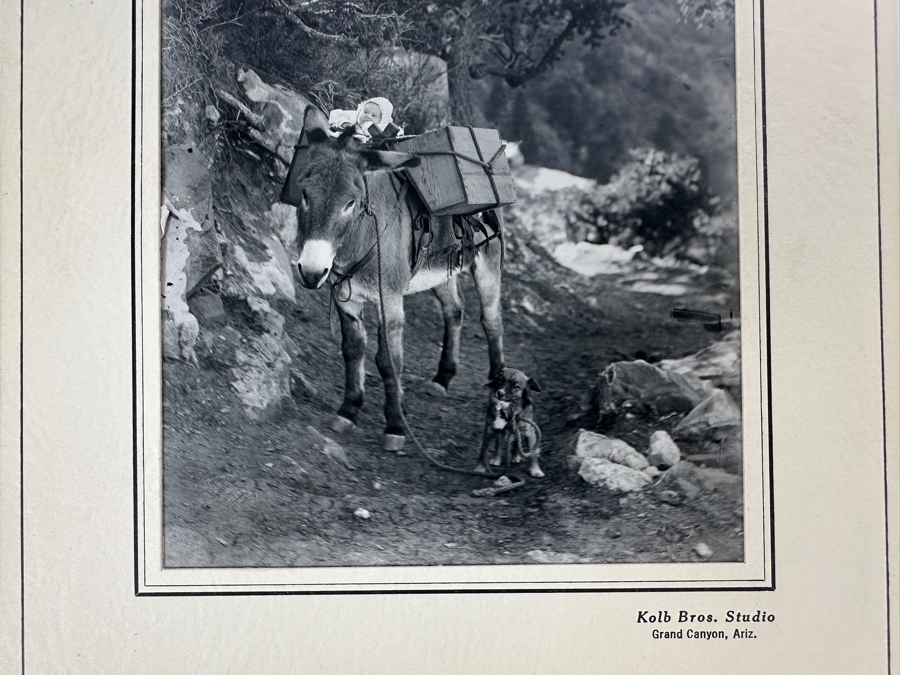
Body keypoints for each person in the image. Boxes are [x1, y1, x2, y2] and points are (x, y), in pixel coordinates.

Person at [327, 97, 404, 142]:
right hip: (344, 139)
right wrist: (344, 123)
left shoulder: (382, 126)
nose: (368, 116)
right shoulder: (355, 117)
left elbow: (398, 131)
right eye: (365, 112)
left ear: (382, 120)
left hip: (367, 145)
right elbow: (337, 115)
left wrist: (369, 126)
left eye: (373, 115)